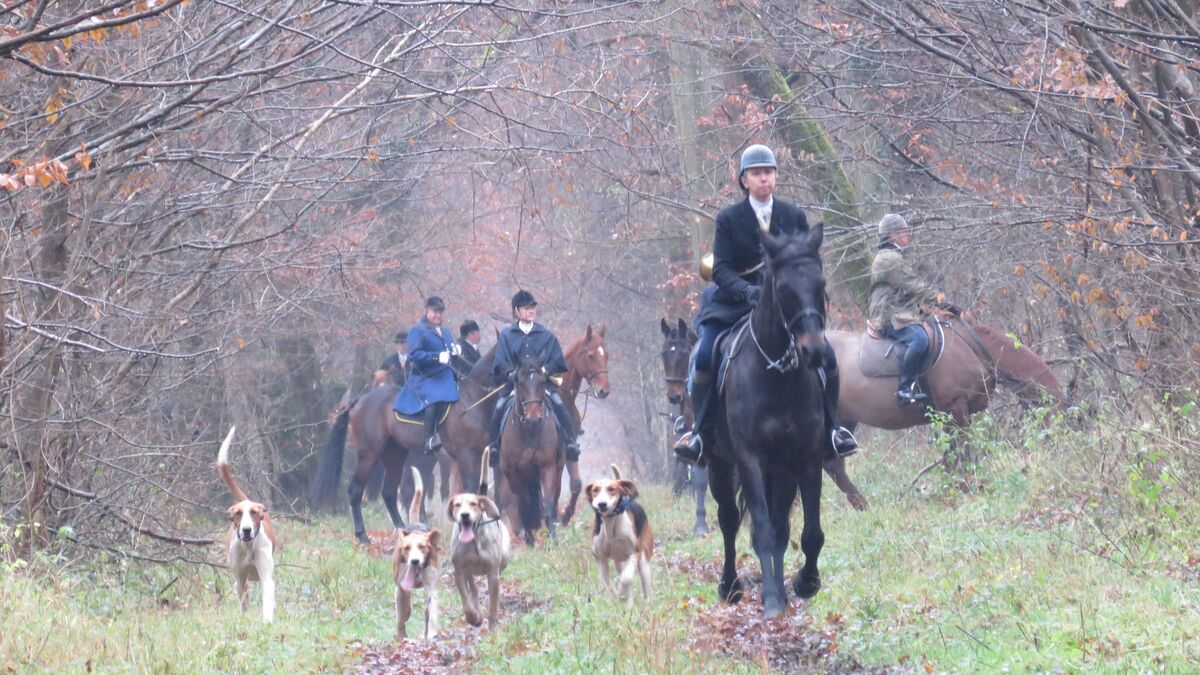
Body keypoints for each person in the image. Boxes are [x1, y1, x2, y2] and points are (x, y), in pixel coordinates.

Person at [674, 143, 859, 465]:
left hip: (785, 308)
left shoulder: (794, 216)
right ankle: (700, 434)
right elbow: (720, 269)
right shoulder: (729, 219)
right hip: (736, 303)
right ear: (744, 180)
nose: (764, 179)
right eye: (757, 174)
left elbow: (807, 264)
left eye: (769, 173)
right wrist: (746, 291)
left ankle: (833, 430)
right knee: (704, 355)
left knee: (826, 355)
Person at [486, 290, 579, 466]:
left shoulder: (546, 335)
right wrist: (510, 374)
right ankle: (494, 447)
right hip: (516, 384)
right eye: (526, 308)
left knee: (559, 404)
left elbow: (558, 361)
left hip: (541, 385)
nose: (531, 310)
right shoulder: (507, 335)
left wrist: (545, 370)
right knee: (498, 407)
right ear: (516, 311)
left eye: (532, 307)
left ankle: (571, 443)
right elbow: (500, 362)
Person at [868, 214, 953, 405]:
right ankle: (904, 389)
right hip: (888, 314)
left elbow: (904, 291)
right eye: (903, 232)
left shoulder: (894, 256)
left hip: (898, 309)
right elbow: (911, 285)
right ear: (892, 236)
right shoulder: (889, 259)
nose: (908, 235)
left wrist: (926, 308)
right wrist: (939, 298)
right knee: (920, 338)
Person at [393, 297, 462, 453]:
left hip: (445, 375)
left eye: (440, 312)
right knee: (434, 400)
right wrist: (437, 357)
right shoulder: (418, 330)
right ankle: (429, 439)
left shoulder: (445, 331)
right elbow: (414, 355)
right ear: (427, 310)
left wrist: (456, 350)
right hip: (425, 377)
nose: (437, 315)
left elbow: (450, 348)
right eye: (434, 312)